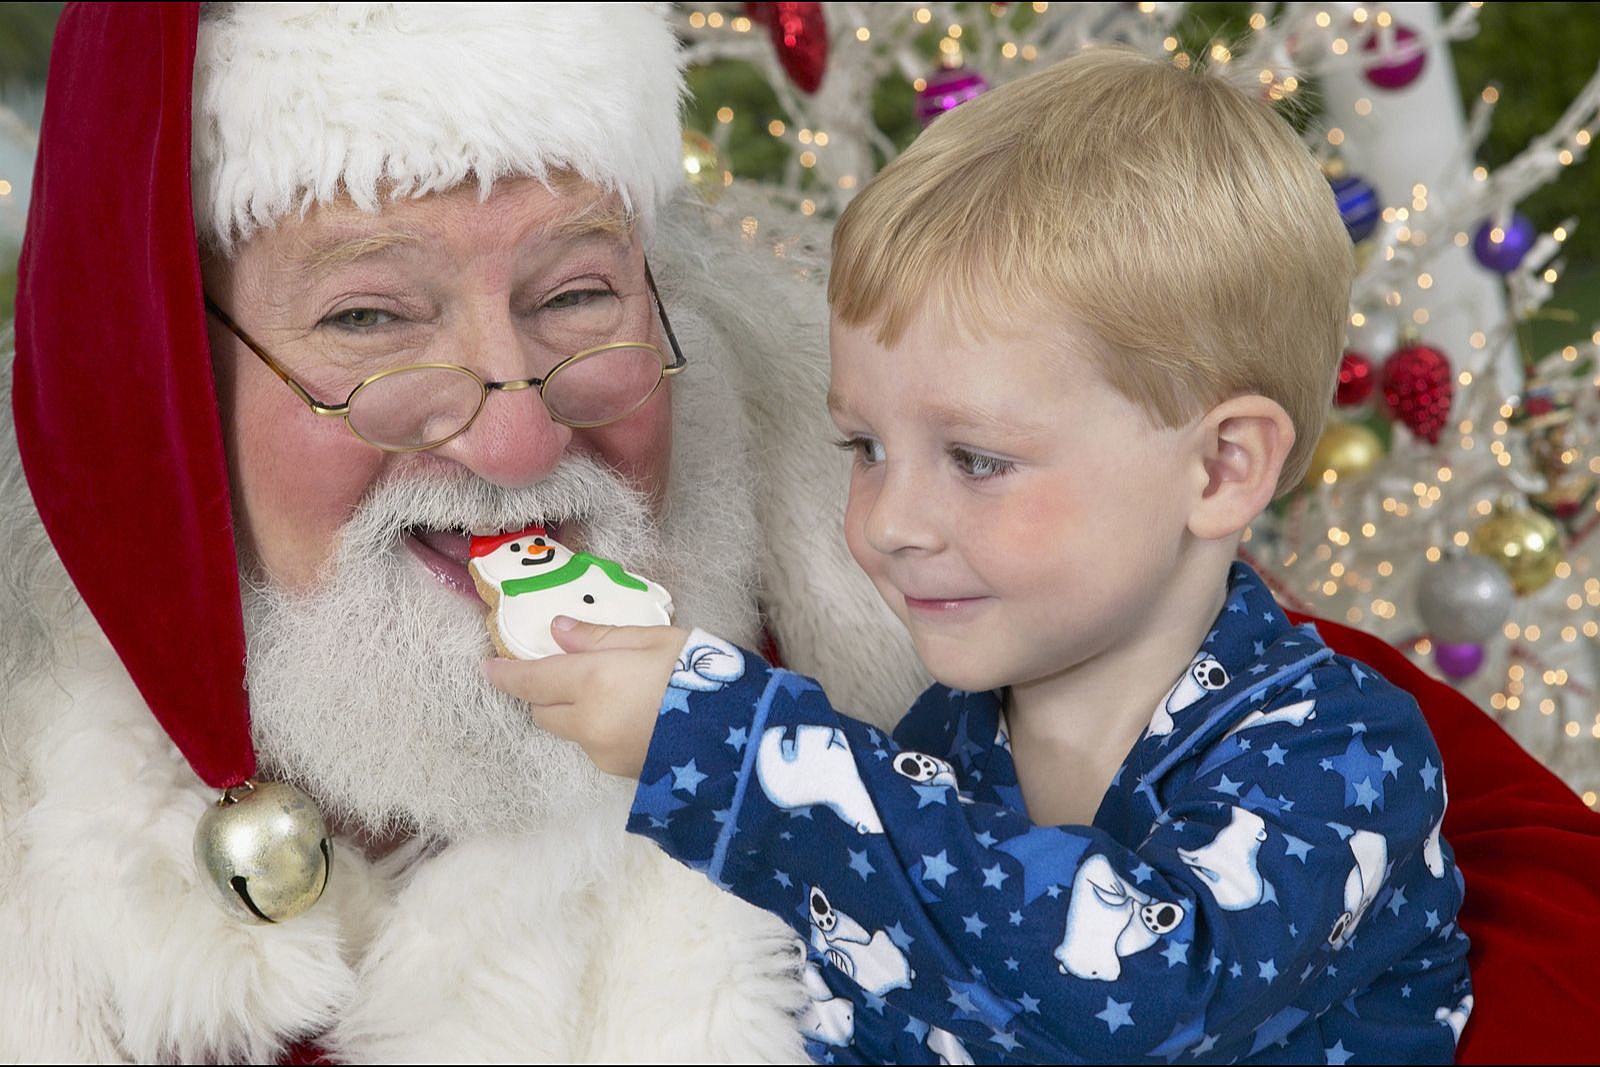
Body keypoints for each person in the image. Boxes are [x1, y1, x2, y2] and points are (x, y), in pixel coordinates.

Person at [5, 5, 1600, 1065]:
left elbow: (1129, 955)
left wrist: (715, 732)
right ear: (159, 386)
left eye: (577, 297)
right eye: (368, 316)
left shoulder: (1026, 650)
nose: (513, 435)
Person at [485, 50, 1470, 1063]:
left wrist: (742, 750)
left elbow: (1129, 993)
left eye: (978, 458)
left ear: (1219, 467)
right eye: (864, 447)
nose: (889, 519)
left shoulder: (1339, 753)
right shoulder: (947, 736)